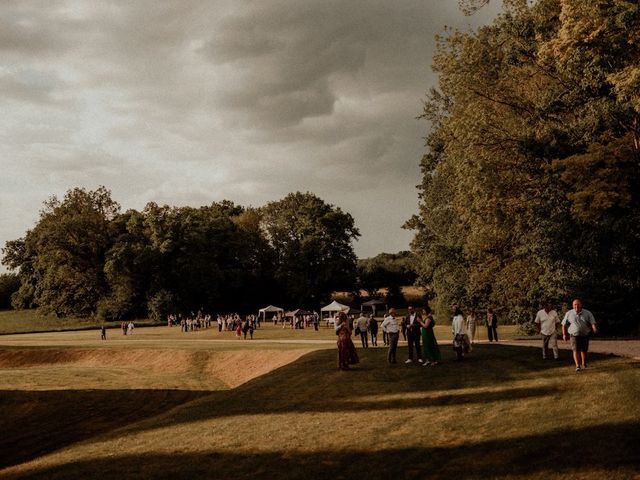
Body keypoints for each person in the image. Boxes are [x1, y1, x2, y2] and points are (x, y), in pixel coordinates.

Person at [562, 298, 597, 372]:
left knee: (584, 350)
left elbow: (592, 322)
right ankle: (577, 365)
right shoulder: (569, 313)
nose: (576, 306)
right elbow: (563, 325)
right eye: (575, 305)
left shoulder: (587, 313)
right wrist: (564, 334)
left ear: (581, 305)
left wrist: (594, 328)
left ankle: (584, 363)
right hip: (574, 335)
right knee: (576, 350)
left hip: (585, 334)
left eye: (578, 304)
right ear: (572, 305)